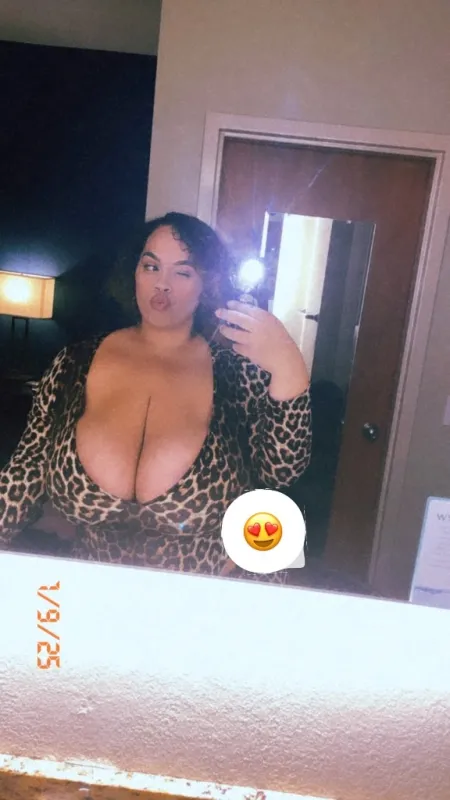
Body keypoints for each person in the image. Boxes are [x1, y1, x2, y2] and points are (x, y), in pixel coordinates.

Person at [0, 212, 311, 582]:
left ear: (207, 284)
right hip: (93, 597)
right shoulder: (73, 363)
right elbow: (24, 474)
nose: (162, 284)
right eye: (151, 267)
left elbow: (282, 470)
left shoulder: (237, 372)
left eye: (183, 272)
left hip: (206, 601)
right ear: (133, 272)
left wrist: (289, 367)